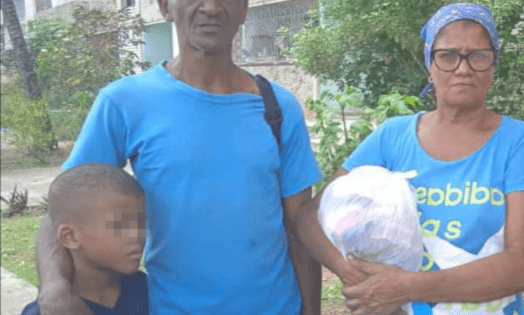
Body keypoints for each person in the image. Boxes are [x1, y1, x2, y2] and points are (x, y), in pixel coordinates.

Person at [33, 0, 327, 314]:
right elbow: (64, 209)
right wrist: (53, 287)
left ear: (243, 9)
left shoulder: (278, 109)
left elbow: (300, 226)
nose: (212, 7)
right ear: (165, 7)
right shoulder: (125, 102)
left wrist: (311, 310)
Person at [313, 3, 524, 315]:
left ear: (493, 65)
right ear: (429, 65)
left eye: (478, 56)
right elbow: (316, 217)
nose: (463, 68)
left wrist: (405, 286)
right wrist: (363, 280)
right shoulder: (392, 137)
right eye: (447, 56)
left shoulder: (520, 142)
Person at [22, 163, 148, 315]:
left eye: (141, 222)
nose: (138, 235)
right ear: (70, 237)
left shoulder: (148, 290)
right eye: (119, 226)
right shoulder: (48, 311)